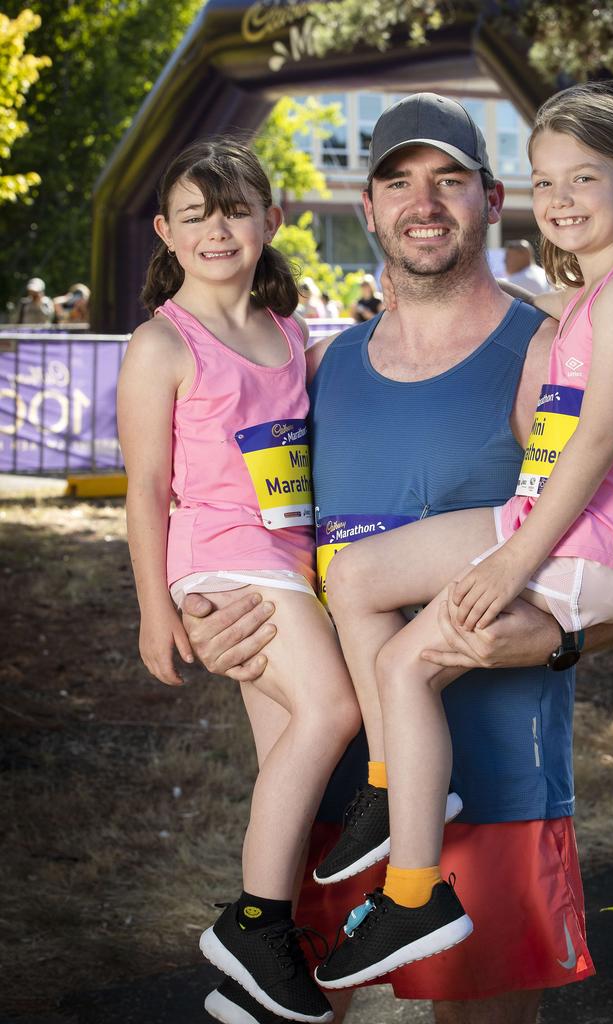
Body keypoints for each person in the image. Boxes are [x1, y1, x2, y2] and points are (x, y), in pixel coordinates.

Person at [182, 94, 613, 1024]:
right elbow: (247, 536)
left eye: (449, 180)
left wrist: (553, 640)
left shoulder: (551, 344)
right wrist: (207, 617)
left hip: (494, 786)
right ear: (368, 207)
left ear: (494, 200)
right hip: (337, 787)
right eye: (398, 182)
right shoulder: (320, 368)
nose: (424, 203)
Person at [116, 137, 361, 1024]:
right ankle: (254, 925)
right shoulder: (161, 344)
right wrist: (155, 612)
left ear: (272, 219)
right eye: (196, 214)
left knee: (286, 766)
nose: (217, 228)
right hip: (222, 560)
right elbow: (144, 491)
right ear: (166, 233)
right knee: (335, 712)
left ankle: (254, 987)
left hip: (294, 561)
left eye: (234, 209)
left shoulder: (290, 333)